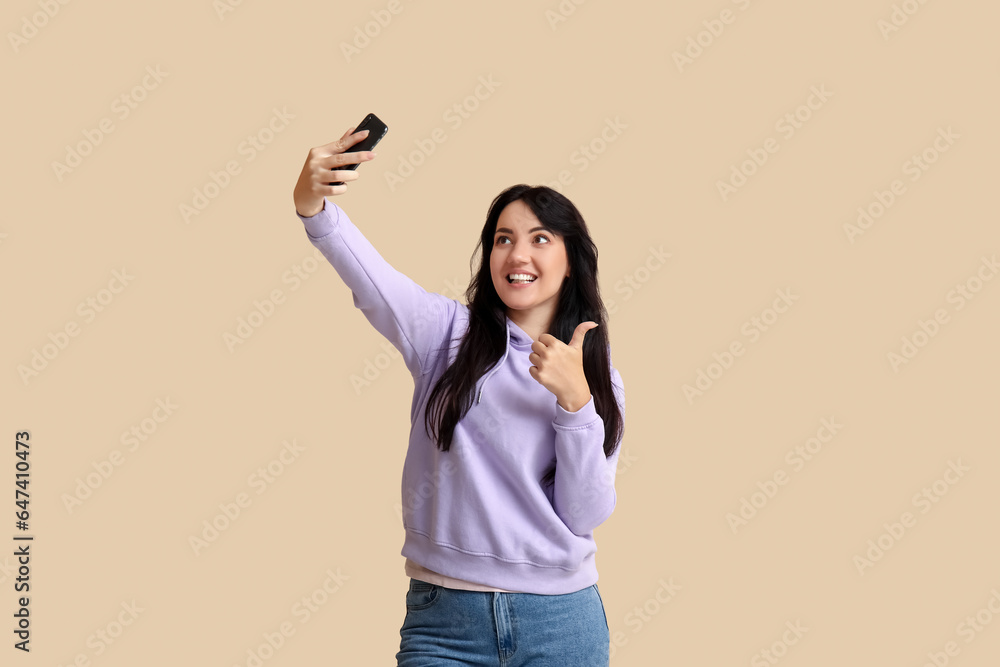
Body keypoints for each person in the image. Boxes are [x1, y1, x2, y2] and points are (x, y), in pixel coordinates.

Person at [292, 125, 626, 666]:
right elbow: (367, 274)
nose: (518, 252)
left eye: (541, 238)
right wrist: (314, 204)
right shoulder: (443, 334)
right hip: (445, 621)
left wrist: (576, 406)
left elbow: (583, 512)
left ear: (572, 261)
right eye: (503, 238)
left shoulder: (598, 382)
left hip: (562, 624)